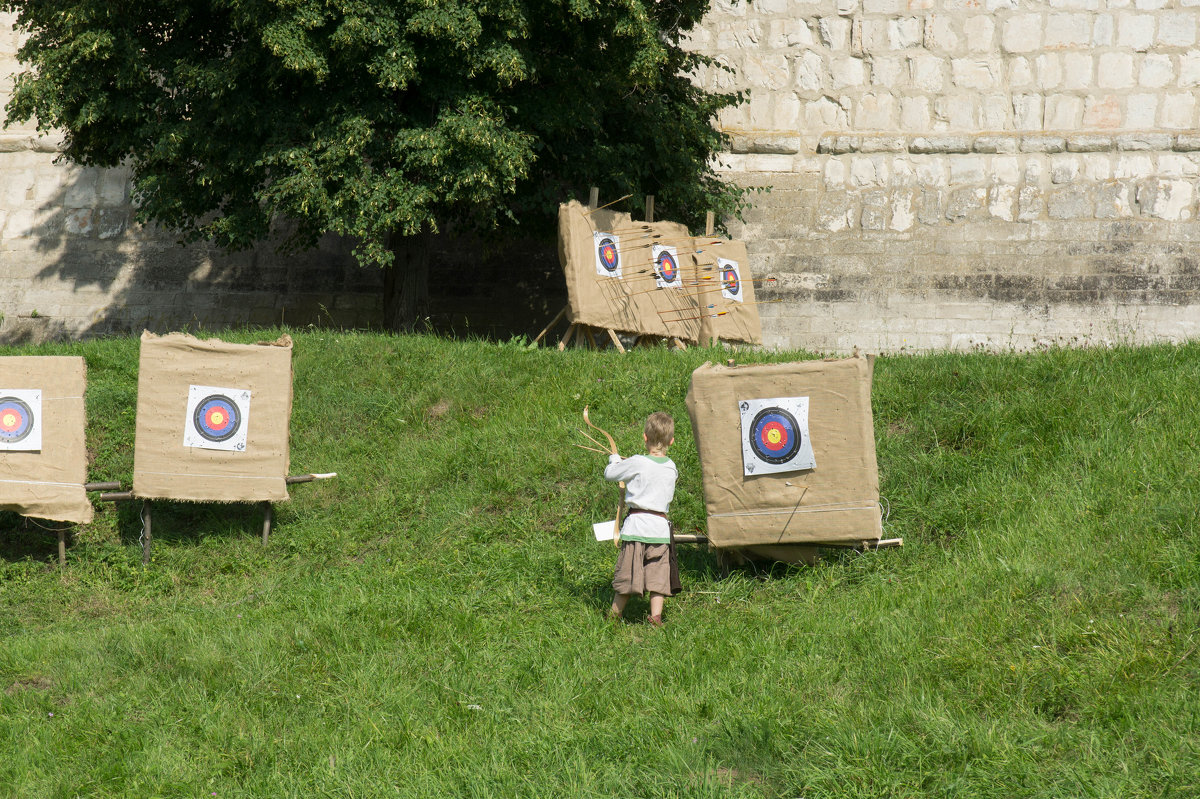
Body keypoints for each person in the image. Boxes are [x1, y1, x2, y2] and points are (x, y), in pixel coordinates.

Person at [605, 411, 680, 626]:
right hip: (659, 531)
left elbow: (610, 473)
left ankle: (614, 617)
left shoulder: (637, 462)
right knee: (658, 575)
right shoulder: (671, 467)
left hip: (637, 527)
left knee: (628, 573)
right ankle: (655, 617)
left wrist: (614, 460)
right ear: (671, 441)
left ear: (645, 437)